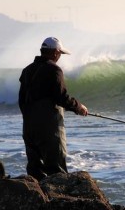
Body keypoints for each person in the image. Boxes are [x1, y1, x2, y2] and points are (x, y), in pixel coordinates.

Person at [18, 37, 88, 180]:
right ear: (55, 52)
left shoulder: (27, 71)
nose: (60, 57)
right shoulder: (54, 69)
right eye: (60, 53)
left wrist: (30, 119)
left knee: (35, 170)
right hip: (49, 128)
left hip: (29, 127)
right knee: (57, 171)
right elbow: (61, 97)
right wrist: (78, 107)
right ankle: (57, 200)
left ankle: (38, 199)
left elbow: (21, 100)